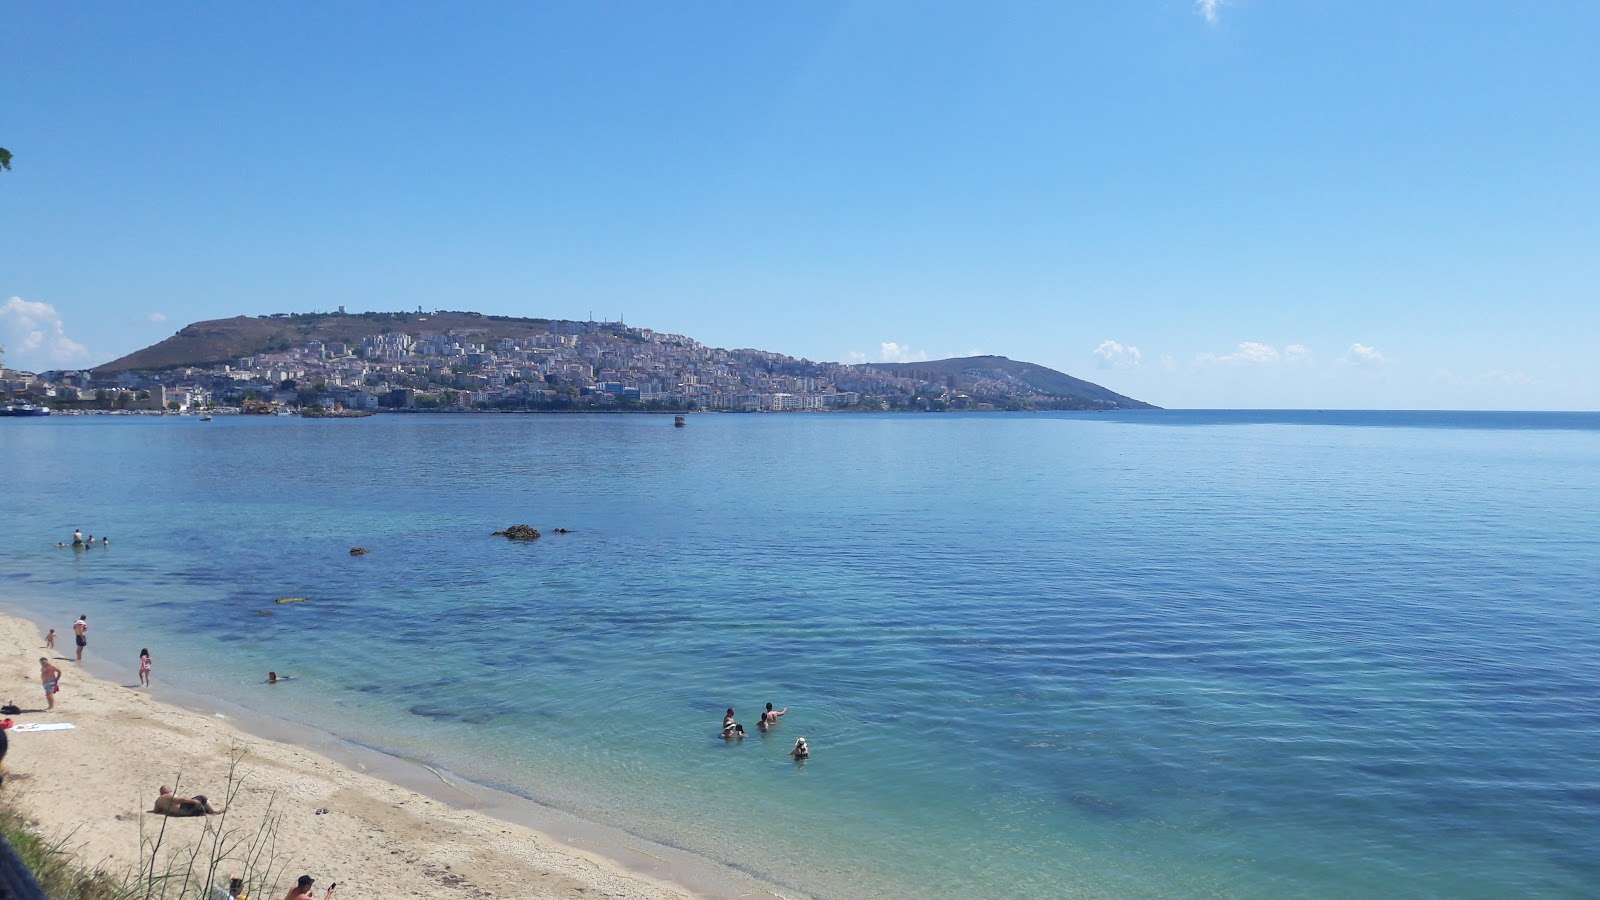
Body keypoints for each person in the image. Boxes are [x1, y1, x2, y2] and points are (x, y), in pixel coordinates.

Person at [153, 785, 225, 816]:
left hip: (178, 814)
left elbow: (156, 811)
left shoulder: (158, 801)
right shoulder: (169, 795)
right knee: (202, 797)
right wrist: (194, 801)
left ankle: (207, 810)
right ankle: (213, 811)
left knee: (203, 810)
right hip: (184, 809)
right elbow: (181, 799)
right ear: (167, 790)